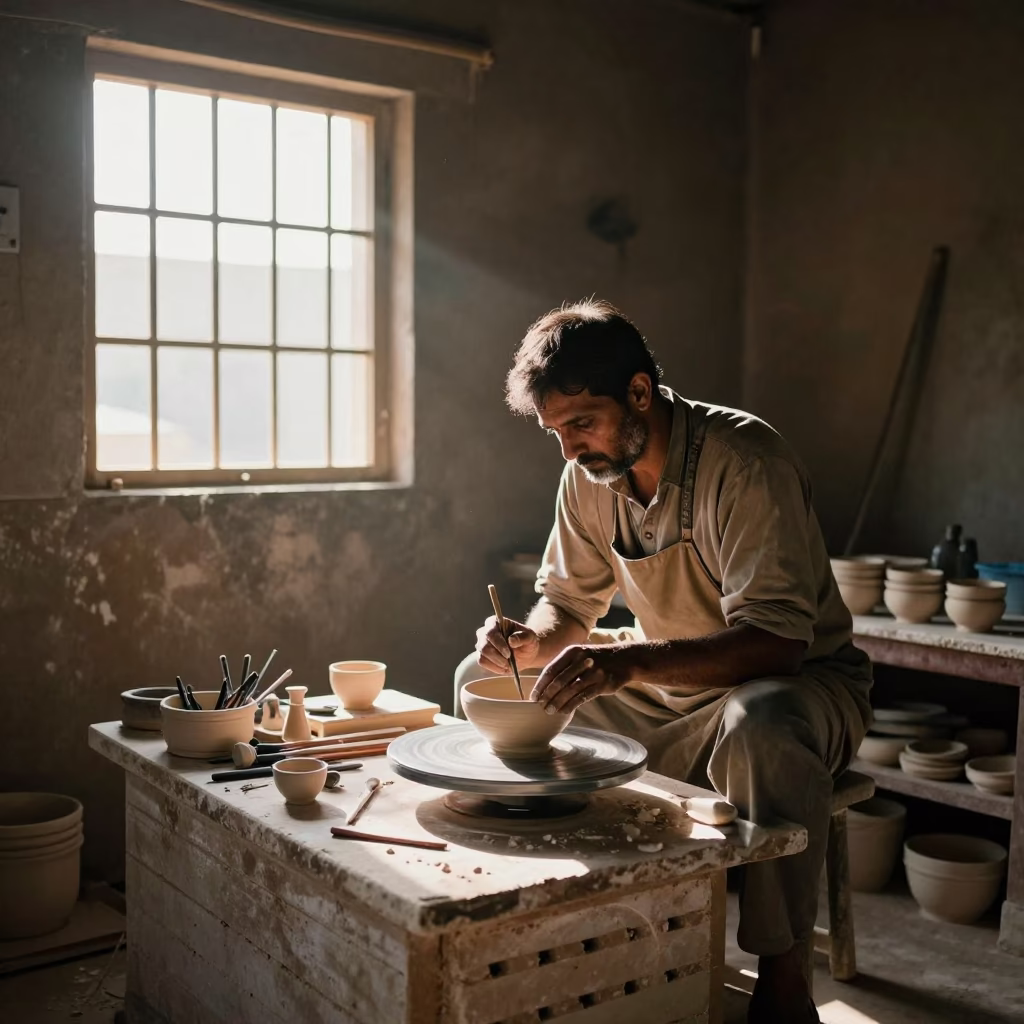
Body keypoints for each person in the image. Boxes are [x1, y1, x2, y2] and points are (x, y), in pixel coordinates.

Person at [454, 299, 872, 1024]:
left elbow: (777, 642)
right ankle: (570, 920)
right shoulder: (587, 477)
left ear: (640, 394)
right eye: (556, 433)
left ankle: (784, 977)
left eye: (582, 424)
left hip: (797, 686)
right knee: (481, 677)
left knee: (760, 723)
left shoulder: (745, 461)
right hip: (669, 686)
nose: (570, 450)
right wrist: (529, 639)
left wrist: (628, 664)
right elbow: (569, 608)